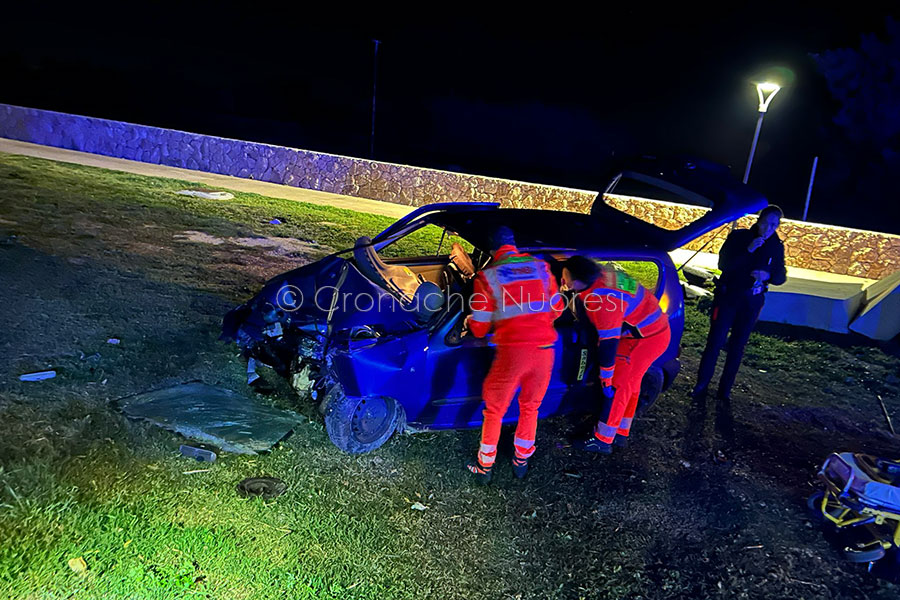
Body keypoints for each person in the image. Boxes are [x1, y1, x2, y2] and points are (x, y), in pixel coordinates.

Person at [464, 226, 564, 482]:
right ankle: (521, 460)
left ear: (491, 251)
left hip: (512, 354)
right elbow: (557, 308)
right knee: (531, 406)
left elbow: (480, 327)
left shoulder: (487, 277)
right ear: (514, 245)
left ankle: (485, 466)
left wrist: (470, 321)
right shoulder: (541, 268)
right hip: (544, 352)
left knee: (495, 410)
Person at [561, 256, 671, 453]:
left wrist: (606, 376)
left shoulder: (603, 300)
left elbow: (608, 344)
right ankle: (621, 432)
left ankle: (602, 440)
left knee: (618, 386)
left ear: (577, 280)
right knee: (632, 385)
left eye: (565, 277)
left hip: (645, 339)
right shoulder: (602, 275)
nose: (563, 281)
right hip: (650, 330)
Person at [692, 205, 786, 402]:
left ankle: (724, 391)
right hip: (729, 297)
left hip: (752, 301)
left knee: (737, 346)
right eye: (767, 223)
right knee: (715, 342)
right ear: (759, 221)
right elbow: (724, 265)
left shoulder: (776, 245)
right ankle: (701, 385)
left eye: (774, 225)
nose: (769, 228)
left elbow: (780, 275)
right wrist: (748, 250)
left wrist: (767, 275)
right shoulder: (739, 237)